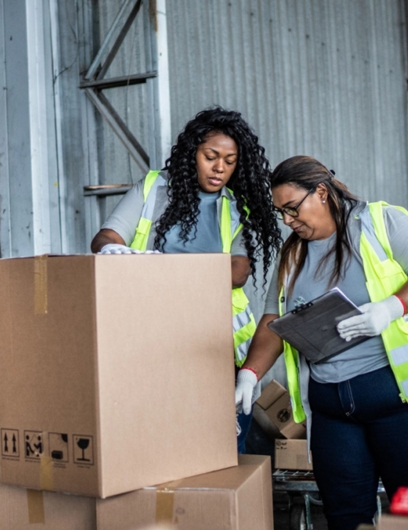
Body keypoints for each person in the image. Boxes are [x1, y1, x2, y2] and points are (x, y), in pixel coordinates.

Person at [235, 156, 408, 530]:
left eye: (292, 209)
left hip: (405, 406)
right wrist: (251, 373)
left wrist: (389, 308)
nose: (287, 221)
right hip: (334, 414)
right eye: (280, 212)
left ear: (321, 193)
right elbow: (273, 321)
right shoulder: (293, 254)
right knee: (346, 524)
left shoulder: (383, 222)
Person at [91, 107, 283, 453]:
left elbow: (239, 270)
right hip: (148, 335)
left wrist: (167, 272)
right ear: (192, 152)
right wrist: (114, 253)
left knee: (220, 441)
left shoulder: (239, 206)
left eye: (230, 160)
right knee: (156, 436)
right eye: (211, 156)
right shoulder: (153, 188)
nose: (220, 168)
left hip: (215, 339)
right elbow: (106, 237)